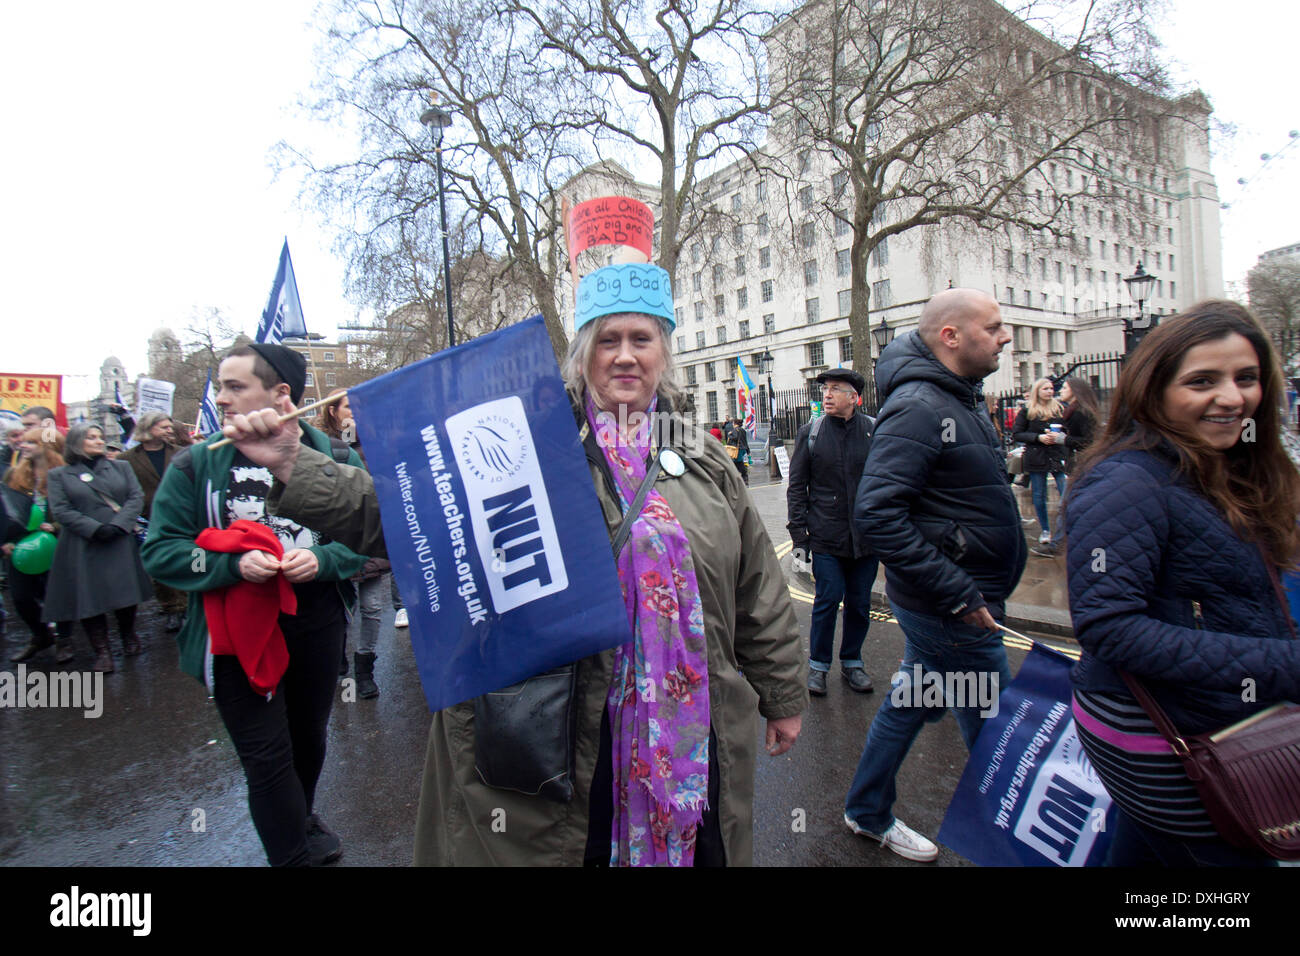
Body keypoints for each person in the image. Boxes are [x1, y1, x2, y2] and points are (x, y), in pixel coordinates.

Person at [218, 260, 807, 867]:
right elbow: (401, 514)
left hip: (687, 724)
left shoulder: (703, 456)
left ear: (664, 350)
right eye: (608, 340)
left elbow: (755, 585)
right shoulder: (530, 436)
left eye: (641, 339)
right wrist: (293, 461)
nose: (625, 356)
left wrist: (781, 693)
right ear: (583, 355)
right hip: (569, 729)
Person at [1065, 301, 1300, 867]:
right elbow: (1109, 627)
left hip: (1217, 719)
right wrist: (1283, 665)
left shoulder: (1229, 465)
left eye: (1246, 378)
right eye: (1202, 381)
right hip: (1171, 738)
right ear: (1155, 388)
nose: (1231, 397)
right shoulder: (1126, 480)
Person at [141, 344, 366, 867]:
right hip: (235, 634)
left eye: (235, 386)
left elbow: (363, 541)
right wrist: (231, 566)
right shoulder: (197, 463)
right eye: (221, 386)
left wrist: (324, 560)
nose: (221, 398)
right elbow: (159, 549)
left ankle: (301, 815)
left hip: (315, 623)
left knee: (308, 740)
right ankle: (290, 855)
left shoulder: (334, 456)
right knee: (267, 757)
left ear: (280, 394)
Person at [845, 288, 1024, 862]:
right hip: (954, 612)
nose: (1004, 337)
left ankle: (866, 810)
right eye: (993, 327)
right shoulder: (921, 405)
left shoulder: (958, 396)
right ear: (951, 336)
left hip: (952, 606)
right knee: (999, 743)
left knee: (912, 701)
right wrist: (960, 592)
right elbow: (875, 514)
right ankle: (1023, 847)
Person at [786, 368, 878, 696]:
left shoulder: (873, 431)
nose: (827, 394)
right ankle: (818, 666)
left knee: (859, 603)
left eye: (836, 389)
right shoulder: (810, 433)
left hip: (866, 539)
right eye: (825, 388)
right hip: (825, 535)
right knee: (827, 600)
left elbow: (886, 483)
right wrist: (799, 536)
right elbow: (797, 487)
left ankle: (852, 661)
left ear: (854, 398)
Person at [42, 424, 153, 673]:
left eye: (101, 436)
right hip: (83, 542)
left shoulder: (120, 467)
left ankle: (128, 635)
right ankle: (102, 650)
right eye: (92, 437)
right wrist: (94, 529)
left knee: (124, 592)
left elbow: (135, 498)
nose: (99, 441)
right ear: (76, 442)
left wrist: (119, 525)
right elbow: (61, 509)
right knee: (89, 598)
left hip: (118, 537)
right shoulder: (60, 475)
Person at [318, 388, 391, 698]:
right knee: (339, 609)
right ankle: (337, 659)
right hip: (336, 541)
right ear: (333, 411)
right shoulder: (320, 446)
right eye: (349, 407)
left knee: (372, 607)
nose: (355, 412)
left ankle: (365, 669)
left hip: (370, 538)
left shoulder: (376, 441)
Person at [3, 427, 75, 664]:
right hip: (20, 548)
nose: (22, 446)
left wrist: (55, 527)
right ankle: (40, 635)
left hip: (56, 545)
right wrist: (3, 542)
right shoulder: (14, 475)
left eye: (30, 443)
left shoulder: (66, 474)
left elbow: (78, 509)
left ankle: (64, 639)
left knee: (57, 594)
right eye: (22, 442)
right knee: (21, 597)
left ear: (47, 446)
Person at [124, 411, 187, 630]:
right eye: (164, 427)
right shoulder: (127, 459)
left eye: (170, 427)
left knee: (191, 559)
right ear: (149, 429)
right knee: (161, 565)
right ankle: (172, 608)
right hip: (148, 517)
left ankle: (192, 601)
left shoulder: (182, 453)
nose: (170, 430)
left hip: (182, 514)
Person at [1012, 378, 1068, 554]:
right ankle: (1045, 530)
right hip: (1036, 457)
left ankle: (1066, 528)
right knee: (1039, 493)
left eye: (1051, 388)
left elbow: (1067, 430)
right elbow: (1017, 434)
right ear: (1038, 391)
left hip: (1056, 456)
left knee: (1065, 492)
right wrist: (1038, 438)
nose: (1050, 391)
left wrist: (1058, 436)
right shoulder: (1027, 410)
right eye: (1045, 388)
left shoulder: (1059, 408)